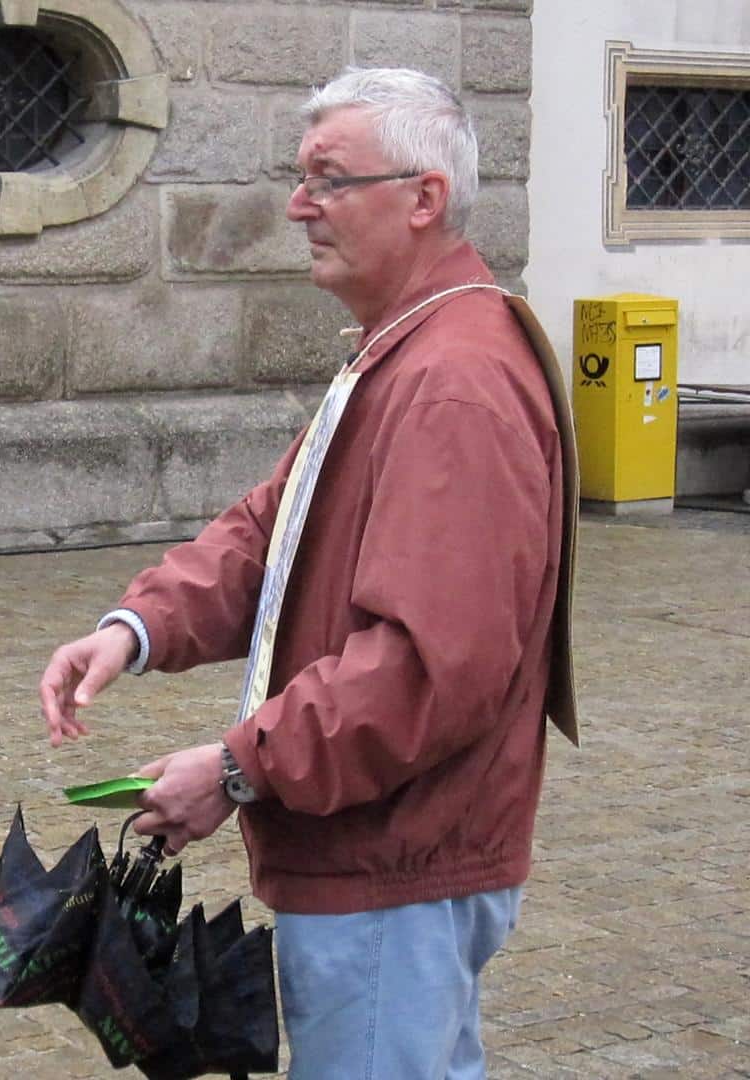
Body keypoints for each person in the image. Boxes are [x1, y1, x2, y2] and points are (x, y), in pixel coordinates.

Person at [37, 69, 576, 1078]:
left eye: (329, 181)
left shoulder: (452, 380)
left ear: (423, 199)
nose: (298, 207)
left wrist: (239, 767)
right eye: (300, 179)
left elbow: (426, 670)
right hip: (383, 855)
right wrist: (135, 627)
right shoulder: (405, 349)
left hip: (394, 866)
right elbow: (271, 531)